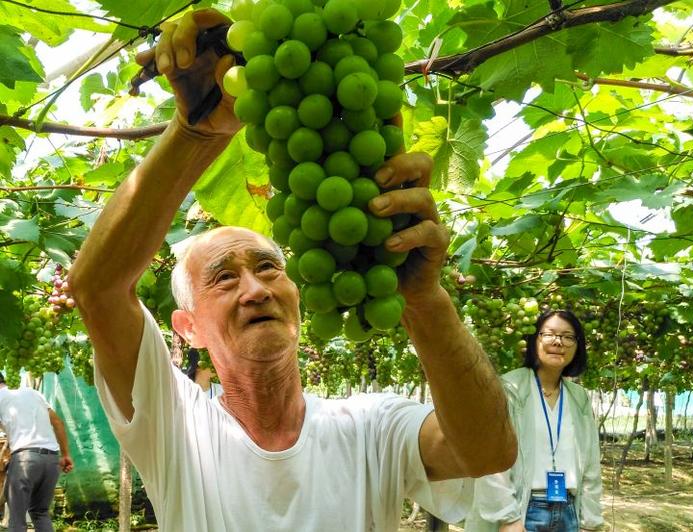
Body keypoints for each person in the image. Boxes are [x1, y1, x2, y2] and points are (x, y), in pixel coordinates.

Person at [68, 9, 517, 531]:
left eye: (268, 267)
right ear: (188, 329)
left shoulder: (372, 427)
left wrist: (425, 300)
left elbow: (487, 452)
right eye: (223, 277)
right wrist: (194, 134)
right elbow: (97, 289)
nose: (256, 288)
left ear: (298, 295)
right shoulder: (176, 427)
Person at [465, 310, 603, 532]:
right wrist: (507, 517)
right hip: (523, 510)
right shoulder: (509, 388)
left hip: (569, 512)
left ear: (577, 347)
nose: (558, 342)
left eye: (568, 337)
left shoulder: (579, 397)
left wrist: (590, 521)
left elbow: (590, 465)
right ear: (534, 340)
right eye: (549, 334)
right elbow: (490, 458)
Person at [0, 372, 74, 532]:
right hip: (52, 460)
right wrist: (66, 454)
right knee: (40, 512)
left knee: (17, 519)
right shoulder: (32, 393)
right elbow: (58, 423)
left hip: (25, 460)